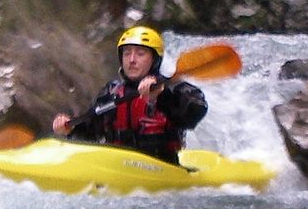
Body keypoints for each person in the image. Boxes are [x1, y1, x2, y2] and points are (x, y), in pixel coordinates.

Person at [51, 25, 208, 165]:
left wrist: (161, 96)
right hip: (121, 166)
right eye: (126, 53)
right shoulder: (111, 92)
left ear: (154, 60)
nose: (132, 60)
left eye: (140, 54)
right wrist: (70, 129)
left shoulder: (174, 88)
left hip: (162, 167)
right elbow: (92, 132)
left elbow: (193, 114)